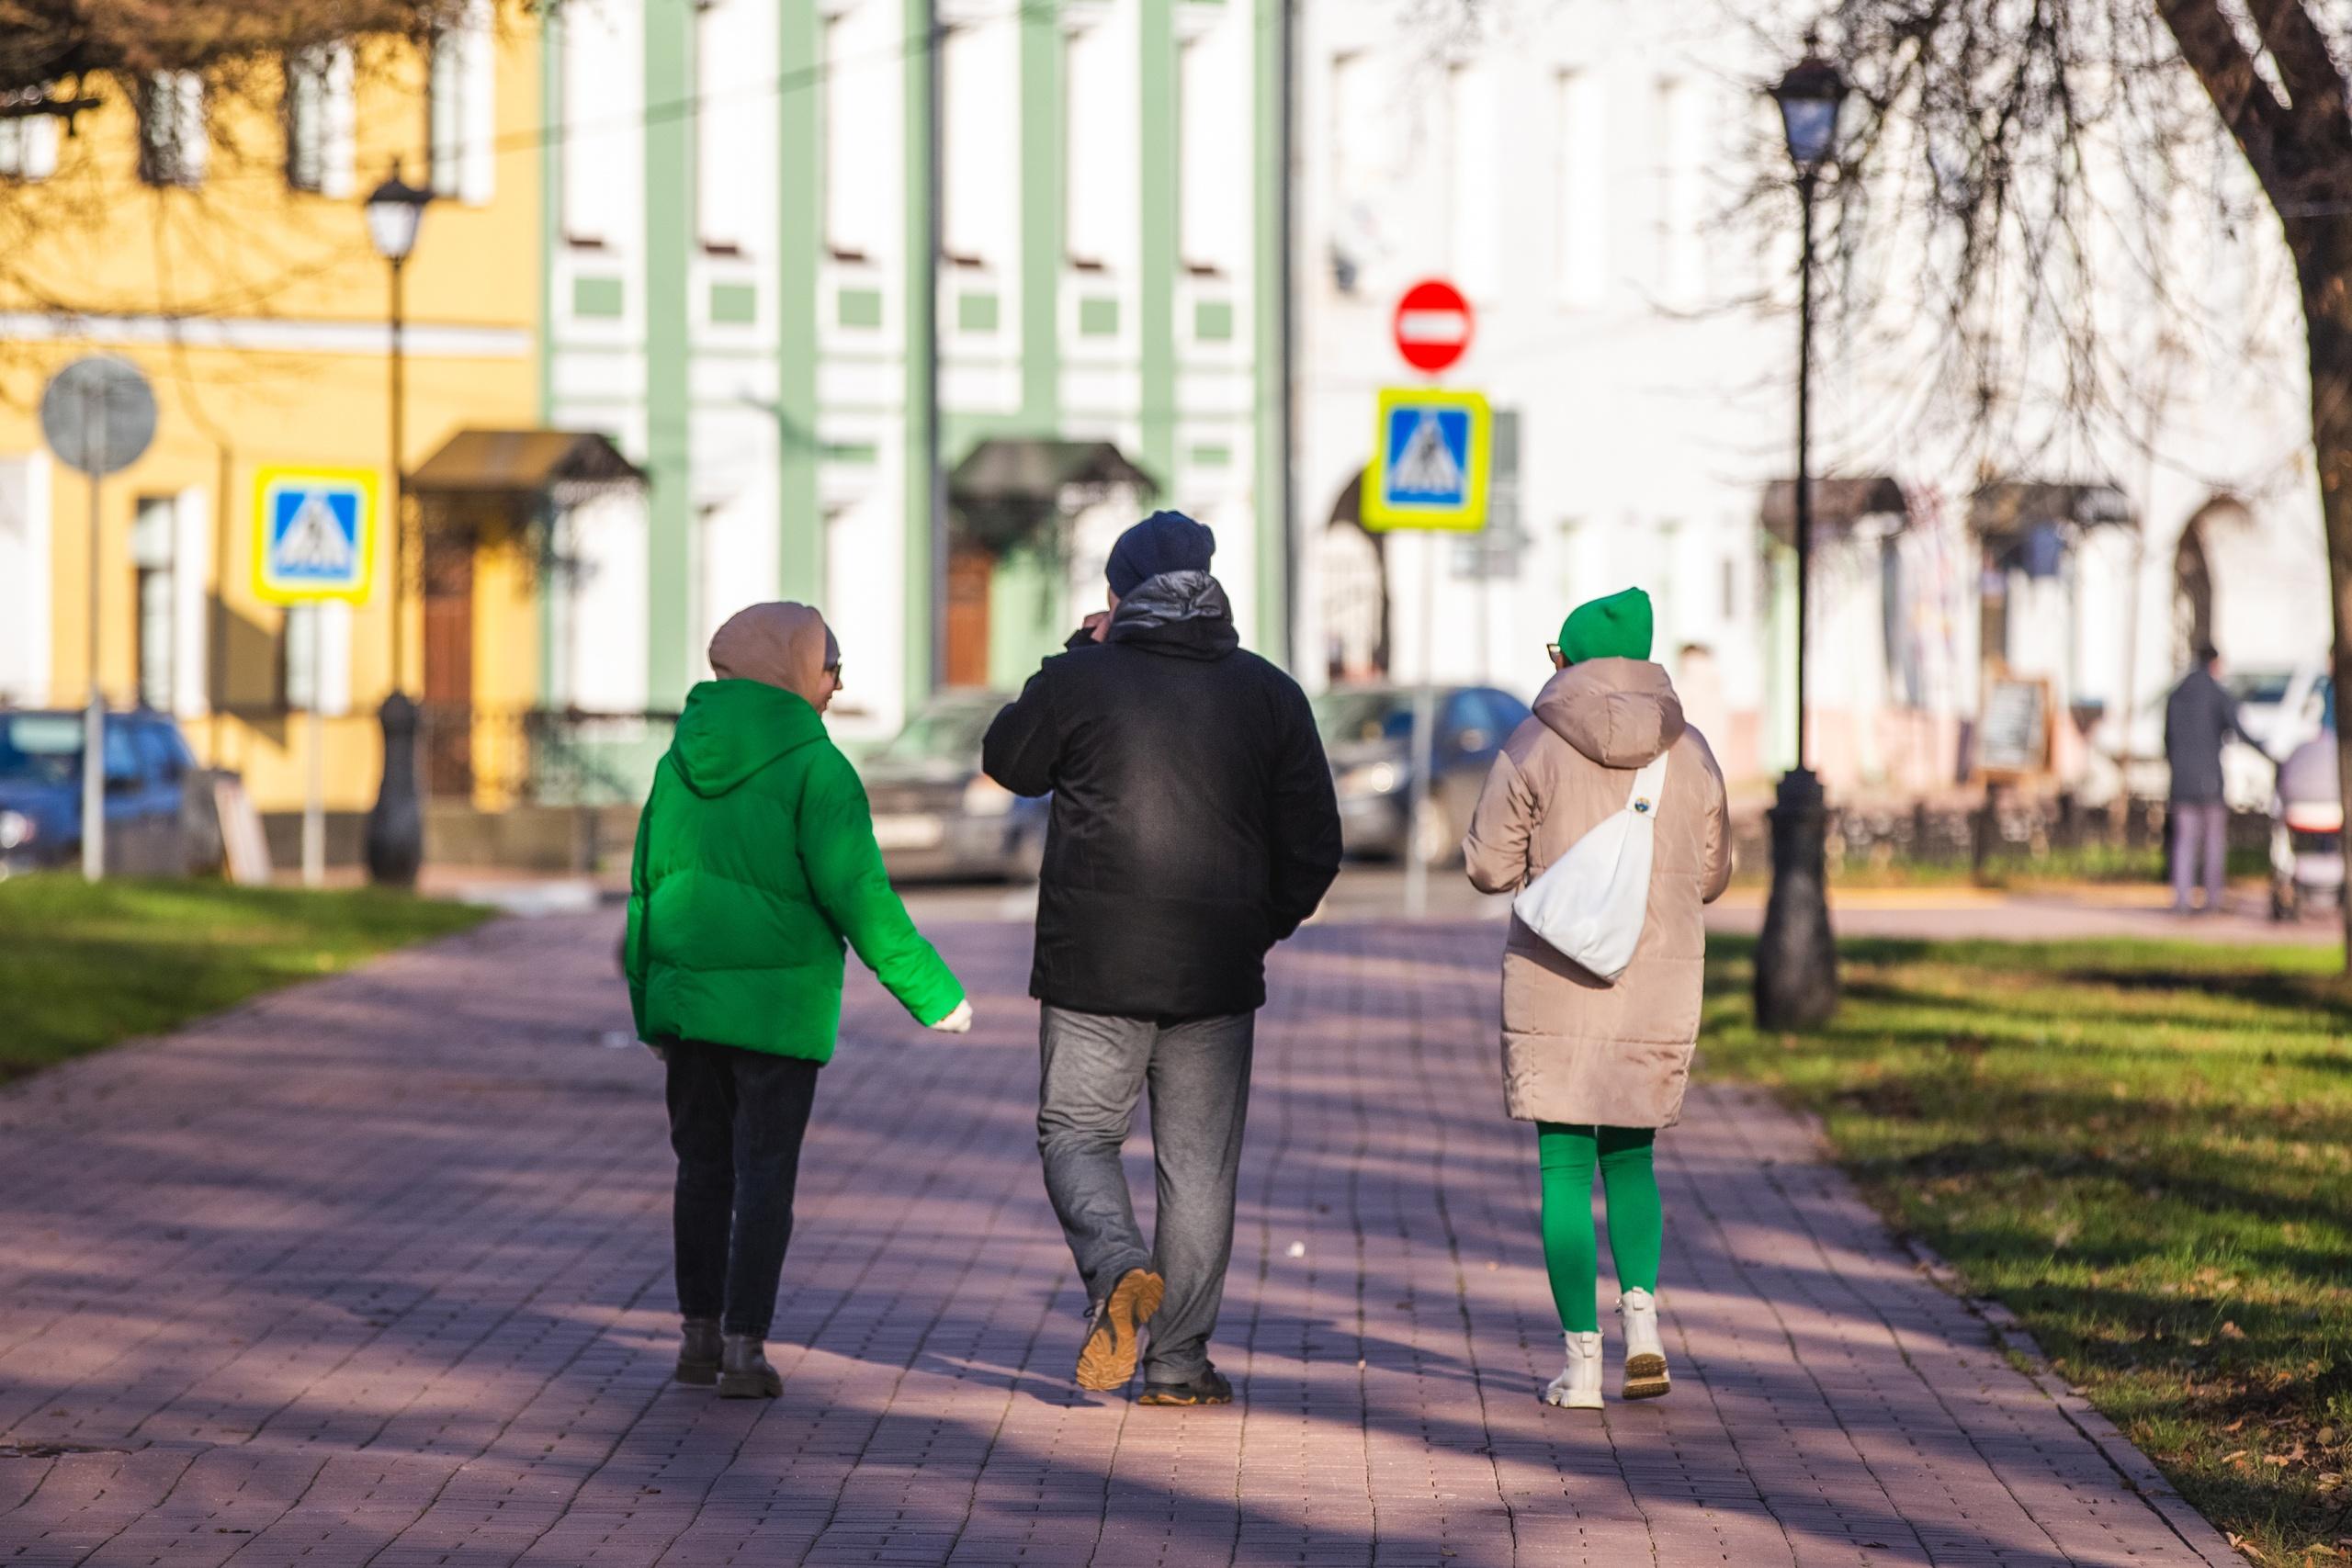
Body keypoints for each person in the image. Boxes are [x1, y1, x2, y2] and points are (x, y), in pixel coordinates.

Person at [982, 511, 1343, 1405]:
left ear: (1118, 594)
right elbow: (1315, 845)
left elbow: (1009, 762)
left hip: (1093, 964)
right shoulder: (1268, 693)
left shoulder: (1082, 679)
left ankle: (1115, 1268)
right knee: (1199, 1170)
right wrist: (1262, 923)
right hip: (1216, 969)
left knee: (1076, 1133)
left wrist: (1071, 655)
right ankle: (1178, 1367)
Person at [626, 602, 974, 1400]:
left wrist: (650, 1004)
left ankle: (697, 1339)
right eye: (830, 665)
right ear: (792, 669)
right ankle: (745, 1349)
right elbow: (860, 895)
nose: (836, 684)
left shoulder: (675, 761)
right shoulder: (819, 769)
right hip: (777, 1011)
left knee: (700, 1171)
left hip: (688, 1004)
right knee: (765, 1174)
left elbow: (645, 887)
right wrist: (935, 995)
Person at [1460, 588, 1731, 1411]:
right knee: (1633, 1159)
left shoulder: (1533, 743)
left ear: (1567, 659)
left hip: (1558, 982)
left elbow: (1486, 867)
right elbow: (1714, 875)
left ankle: (1581, 1365)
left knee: (1564, 1168)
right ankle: (1642, 1325)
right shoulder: (1693, 753)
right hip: (1656, 981)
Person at [2164, 643, 2257, 914]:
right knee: (2213, 842)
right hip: (2209, 782)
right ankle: (2212, 901)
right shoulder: (2216, 693)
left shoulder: (2177, 694)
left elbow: (2167, 739)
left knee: (2184, 842)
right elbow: (2240, 730)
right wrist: (2269, 752)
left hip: (2181, 781)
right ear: (2215, 663)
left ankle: (2181, 900)